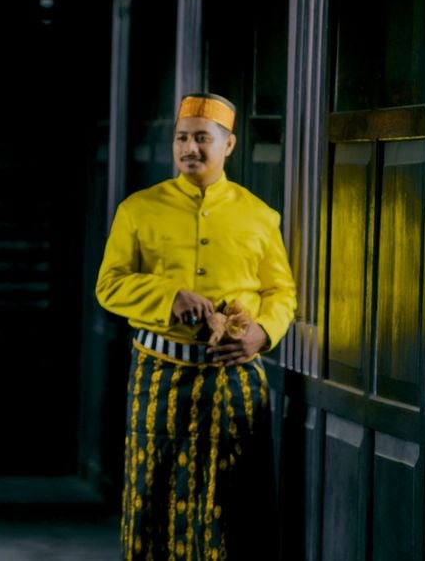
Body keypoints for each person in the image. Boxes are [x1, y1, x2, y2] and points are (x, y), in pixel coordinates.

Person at [96, 92, 297, 560]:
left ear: (229, 145)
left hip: (235, 378)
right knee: (154, 491)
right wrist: (169, 297)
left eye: (202, 138)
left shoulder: (259, 215)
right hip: (158, 375)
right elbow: (109, 285)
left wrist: (262, 333)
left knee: (235, 496)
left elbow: (281, 292)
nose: (190, 148)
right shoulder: (138, 209)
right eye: (182, 138)